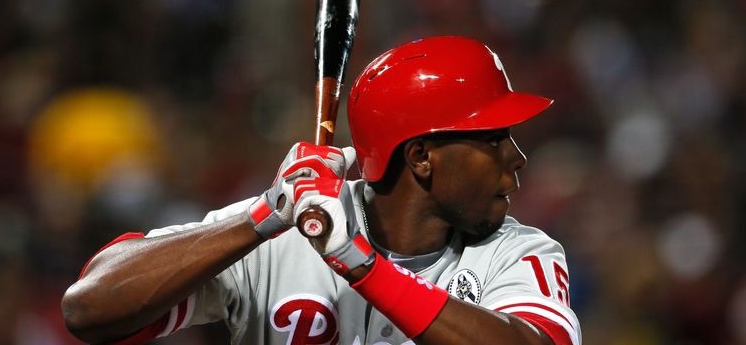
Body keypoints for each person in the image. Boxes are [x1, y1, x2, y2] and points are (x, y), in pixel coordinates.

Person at [62, 36, 581, 345]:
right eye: (494, 140)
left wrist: (361, 266)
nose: (517, 157)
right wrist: (261, 216)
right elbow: (87, 311)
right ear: (421, 157)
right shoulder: (281, 230)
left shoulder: (518, 254)